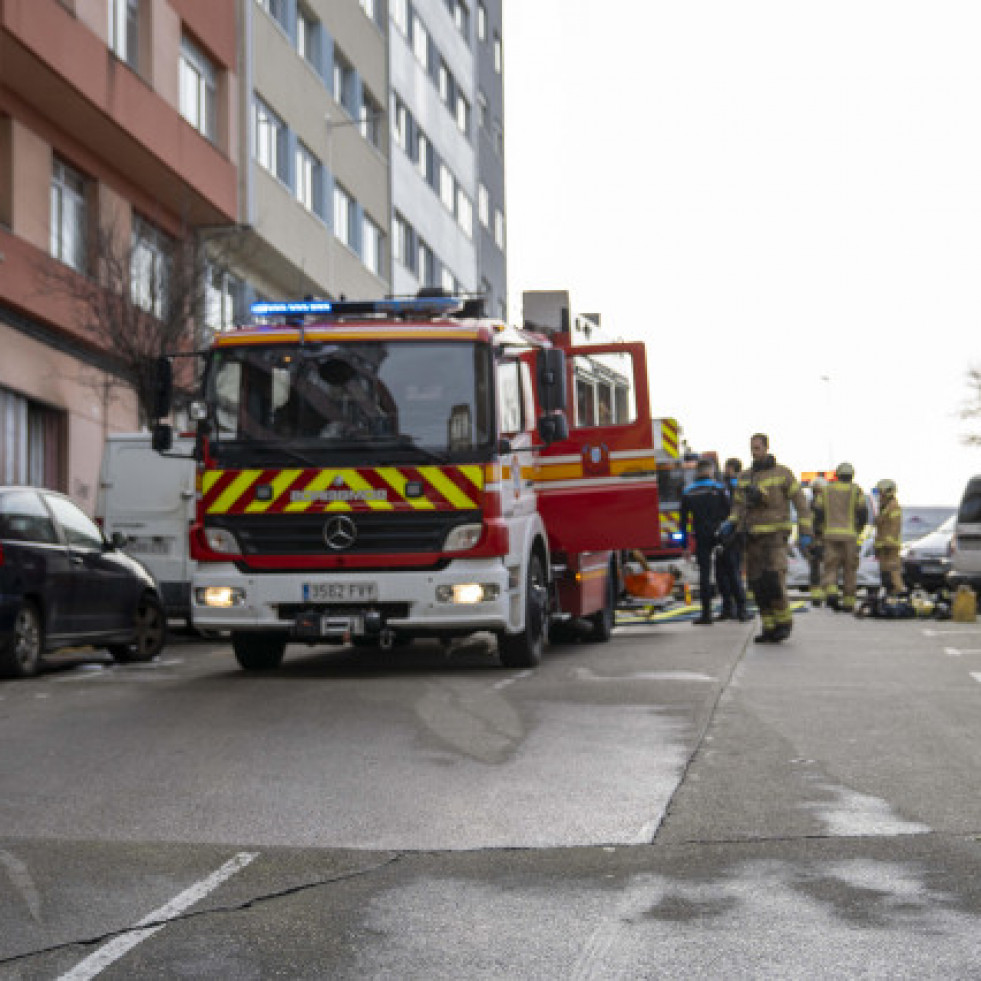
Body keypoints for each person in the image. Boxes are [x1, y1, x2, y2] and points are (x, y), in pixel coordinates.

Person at [724, 433, 812, 643]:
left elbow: (800, 503)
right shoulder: (746, 477)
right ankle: (769, 626)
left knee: (773, 581)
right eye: (751, 448)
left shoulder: (782, 473)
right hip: (752, 538)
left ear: (766, 448)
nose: (754, 452)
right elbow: (738, 504)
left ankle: (784, 624)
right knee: (757, 585)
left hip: (775, 538)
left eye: (757, 448)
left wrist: (806, 533)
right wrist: (731, 522)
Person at [679, 458, 730, 624]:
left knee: (704, 575)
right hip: (720, 535)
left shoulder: (688, 492)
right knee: (725, 573)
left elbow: (683, 521)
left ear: (697, 471)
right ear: (711, 471)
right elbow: (729, 513)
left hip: (701, 535)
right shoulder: (720, 488)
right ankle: (729, 609)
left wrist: (685, 546)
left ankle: (706, 614)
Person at [814, 462, 868, 612]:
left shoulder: (826, 490)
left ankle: (831, 593)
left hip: (830, 534)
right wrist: (859, 528)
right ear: (852, 475)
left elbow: (817, 512)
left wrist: (818, 531)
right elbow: (863, 513)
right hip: (850, 536)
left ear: (837, 475)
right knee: (849, 569)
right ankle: (849, 603)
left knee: (830, 566)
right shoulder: (856, 490)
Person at [716, 457, 750, 621]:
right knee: (728, 573)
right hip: (732, 534)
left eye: (726, 468)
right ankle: (734, 609)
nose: (724, 471)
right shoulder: (729, 486)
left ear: (731, 469)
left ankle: (736, 609)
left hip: (732, 534)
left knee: (730, 573)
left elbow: (737, 510)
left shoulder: (732, 487)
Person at [873, 479, 904, 596]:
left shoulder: (893, 507)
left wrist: (888, 543)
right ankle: (889, 592)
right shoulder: (884, 507)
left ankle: (897, 592)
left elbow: (894, 527)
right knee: (885, 572)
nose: (879, 495)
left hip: (890, 547)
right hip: (883, 546)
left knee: (893, 571)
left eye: (880, 492)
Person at [807, 475, 827, 607]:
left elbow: (814, 520)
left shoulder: (815, 503)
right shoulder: (828, 503)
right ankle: (819, 597)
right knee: (820, 569)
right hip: (823, 540)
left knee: (816, 569)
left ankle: (817, 598)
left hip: (819, 539)